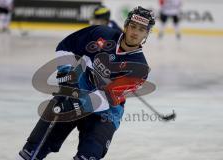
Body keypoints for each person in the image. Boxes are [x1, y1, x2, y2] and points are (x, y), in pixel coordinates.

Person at [17, 6, 155, 160]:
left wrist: (76, 102)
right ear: (126, 26)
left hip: (105, 113)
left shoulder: (140, 69)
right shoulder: (101, 33)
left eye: (142, 29)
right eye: (133, 26)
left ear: (147, 34)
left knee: (88, 155)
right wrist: (66, 74)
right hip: (76, 91)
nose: (135, 32)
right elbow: (66, 46)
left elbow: (106, 99)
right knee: (33, 148)